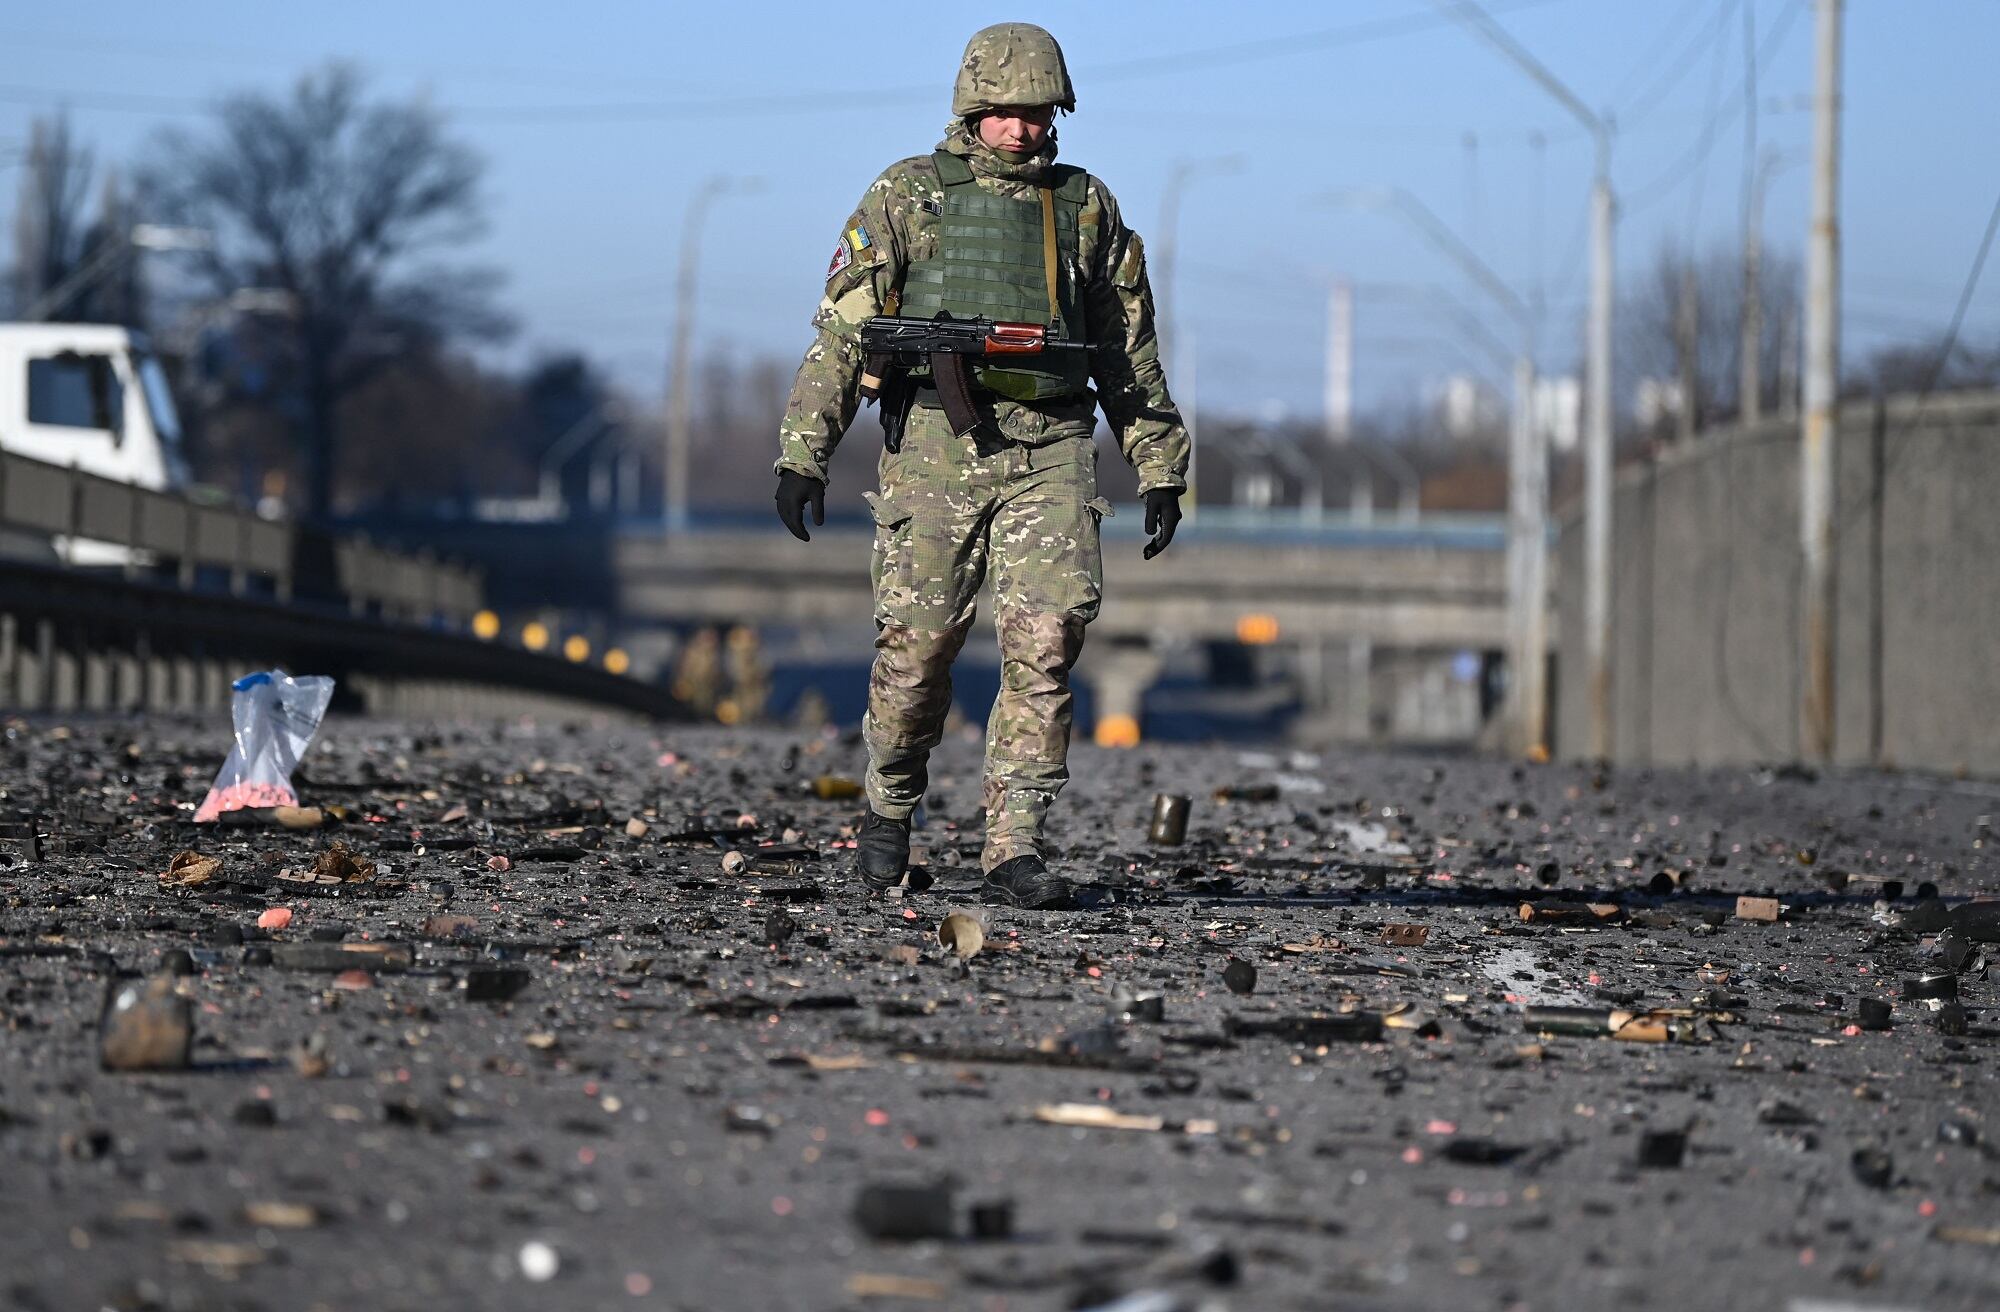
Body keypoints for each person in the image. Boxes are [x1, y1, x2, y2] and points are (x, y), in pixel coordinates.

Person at [773, 23, 1190, 910]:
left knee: (1046, 646)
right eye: (1003, 112)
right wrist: (805, 451)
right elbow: (845, 333)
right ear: (972, 109)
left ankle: (1015, 843)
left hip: (1051, 447)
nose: (1021, 129)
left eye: (1036, 112)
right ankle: (889, 803)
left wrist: (1157, 463)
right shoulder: (909, 195)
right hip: (935, 447)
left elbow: (1126, 352)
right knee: (917, 650)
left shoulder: (1085, 209)